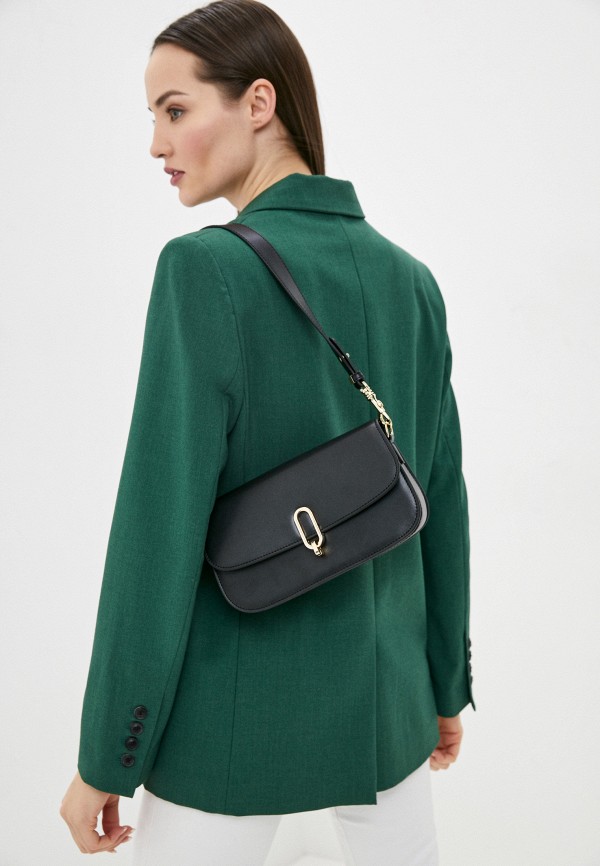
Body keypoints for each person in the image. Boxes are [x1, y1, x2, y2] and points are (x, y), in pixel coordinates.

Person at [59, 1, 476, 862]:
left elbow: (156, 529)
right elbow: (442, 500)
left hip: (232, 735)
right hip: (390, 718)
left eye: (175, 109)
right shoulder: (414, 281)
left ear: (258, 102)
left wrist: (108, 753)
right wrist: (444, 686)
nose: (156, 144)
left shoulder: (203, 269)